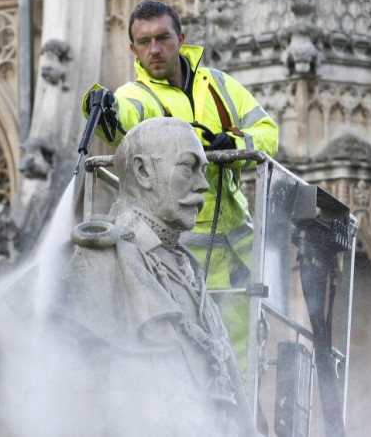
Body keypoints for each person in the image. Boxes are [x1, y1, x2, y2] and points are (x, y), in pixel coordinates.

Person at [83, 0, 279, 369]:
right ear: (132, 49)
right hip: (180, 256)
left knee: (242, 363)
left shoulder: (219, 85)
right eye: (143, 42)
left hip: (238, 248)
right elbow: (122, 117)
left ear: (180, 38)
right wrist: (104, 104)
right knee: (194, 360)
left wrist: (234, 143)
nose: (154, 50)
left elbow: (268, 132)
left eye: (162, 38)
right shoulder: (137, 95)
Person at [56, 117, 256, 436]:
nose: (203, 185)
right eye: (189, 167)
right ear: (143, 172)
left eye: (203, 170)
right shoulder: (102, 256)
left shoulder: (187, 270)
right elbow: (76, 389)